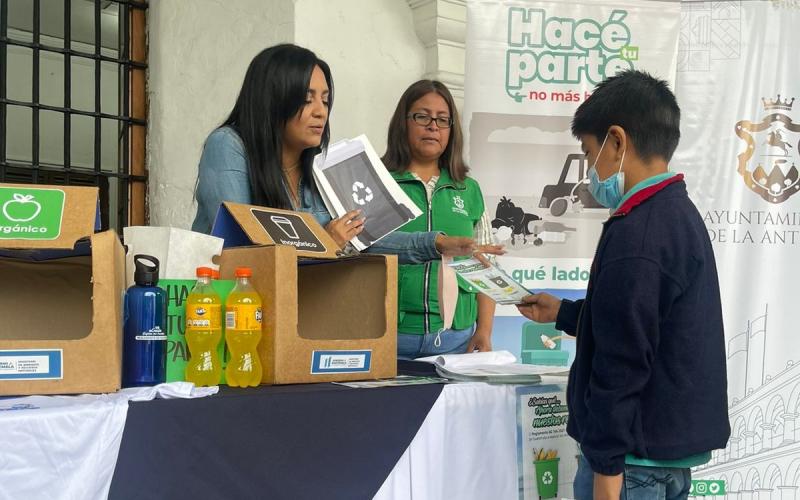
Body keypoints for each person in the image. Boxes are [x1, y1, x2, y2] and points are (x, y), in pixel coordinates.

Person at [516, 70, 730, 500]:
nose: (592, 169)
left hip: (630, 467)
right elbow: (646, 328)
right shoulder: (677, 212)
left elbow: (622, 362)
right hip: (661, 458)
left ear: (617, 141)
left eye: (590, 151)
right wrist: (563, 313)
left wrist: (607, 474)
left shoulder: (638, 233)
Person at [192, 44, 497, 263]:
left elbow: (365, 237)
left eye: (325, 100)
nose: (320, 111)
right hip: (229, 317)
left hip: (297, 319)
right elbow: (246, 249)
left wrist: (439, 243)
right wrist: (327, 243)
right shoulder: (228, 146)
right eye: (307, 98)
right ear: (273, 98)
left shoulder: (323, 165)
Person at [383, 80, 498, 359]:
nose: (433, 126)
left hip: (456, 341)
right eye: (422, 116)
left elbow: (487, 267)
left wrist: (483, 331)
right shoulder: (378, 182)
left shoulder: (468, 190)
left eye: (443, 120)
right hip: (389, 340)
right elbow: (358, 252)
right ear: (403, 122)